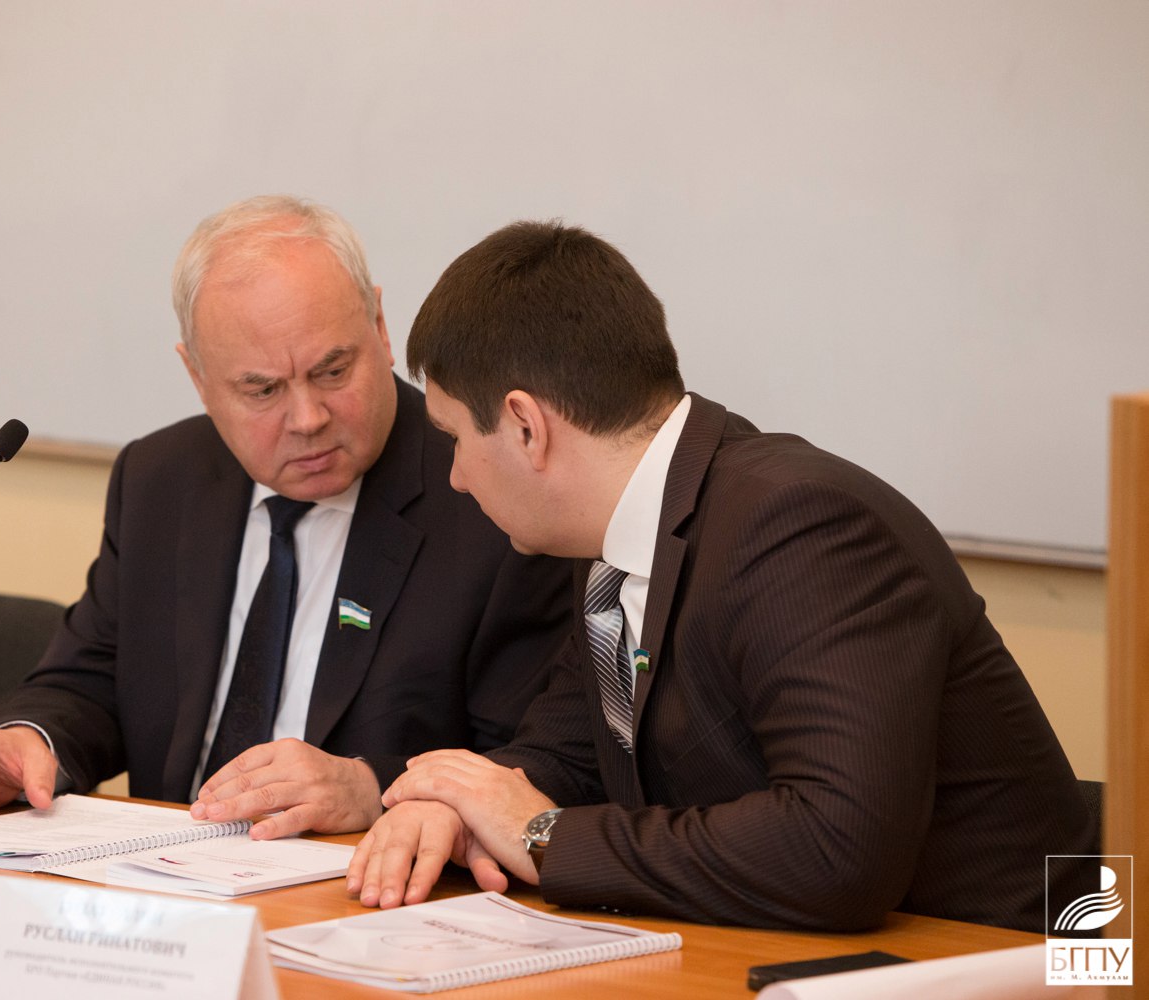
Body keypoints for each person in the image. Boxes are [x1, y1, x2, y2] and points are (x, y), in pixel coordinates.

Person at [348, 219, 1096, 932]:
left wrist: (541, 835)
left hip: (1022, 962)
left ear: (525, 426)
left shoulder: (801, 525)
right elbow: (566, 753)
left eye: (454, 438)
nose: (456, 477)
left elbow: (837, 848)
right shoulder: (615, 540)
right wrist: (454, 804)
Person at [0, 197, 571, 839]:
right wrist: (28, 740)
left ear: (379, 326)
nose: (307, 418)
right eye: (262, 390)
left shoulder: (490, 499)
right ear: (197, 377)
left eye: (333, 371)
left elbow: (539, 762)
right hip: (167, 876)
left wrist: (372, 787)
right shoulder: (160, 479)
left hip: (360, 885)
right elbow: (93, 677)